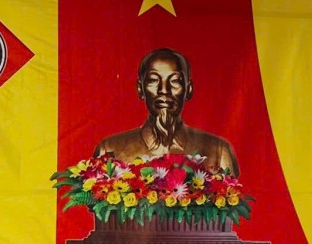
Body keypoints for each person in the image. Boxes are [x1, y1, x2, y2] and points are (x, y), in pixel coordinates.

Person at [94, 47, 239, 174]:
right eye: (153, 80)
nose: (164, 90)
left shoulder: (218, 151)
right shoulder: (110, 149)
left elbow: (231, 195)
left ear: (188, 89)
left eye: (175, 81)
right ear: (140, 89)